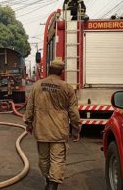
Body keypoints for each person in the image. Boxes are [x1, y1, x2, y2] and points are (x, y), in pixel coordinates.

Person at [24, 60, 81, 190]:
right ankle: (52, 185)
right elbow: (73, 111)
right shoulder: (67, 88)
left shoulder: (37, 86)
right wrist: (76, 127)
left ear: (49, 70)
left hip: (42, 130)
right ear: (61, 72)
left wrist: (28, 123)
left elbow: (30, 107)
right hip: (59, 131)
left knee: (44, 159)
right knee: (57, 160)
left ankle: (48, 180)